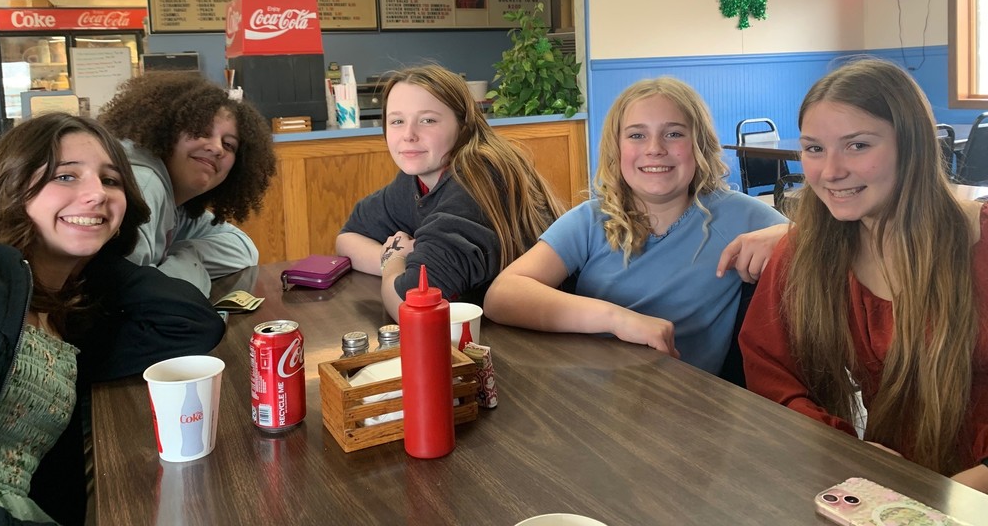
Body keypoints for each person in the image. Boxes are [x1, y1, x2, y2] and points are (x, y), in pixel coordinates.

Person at [739, 59, 988, 493]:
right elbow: (769, 371)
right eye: (814, 149)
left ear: (910, 145)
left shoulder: (979, 243)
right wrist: (842, 446)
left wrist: (957, 494)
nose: (830, 171)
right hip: (882, 491)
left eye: (857, 146)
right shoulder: (806, 252)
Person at [0, 112, 225, 525]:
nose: (97, 193)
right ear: (12, 185)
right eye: (66, 176)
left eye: (111, 180)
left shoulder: (70, 313)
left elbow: (193, 322)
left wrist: (93, 251)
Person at [482, 77, 788, 375]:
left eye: (674, 134)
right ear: (616, 148)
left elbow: (826, 246)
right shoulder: (592, 219)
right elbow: (502, 295)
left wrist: (790, 235)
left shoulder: (739, 216)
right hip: (587, 394)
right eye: (637, 135)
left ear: (699, 144)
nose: (654, 148)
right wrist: (617, 319)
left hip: (688, 404)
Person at [335, 65, 565, 319]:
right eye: (397, 121)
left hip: (546, 342)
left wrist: (393, 261)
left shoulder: (476, 181)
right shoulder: (417, 179)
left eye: (428, 120)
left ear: (463, 124)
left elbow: (412, 310)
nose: (409, 135)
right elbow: (348, 238)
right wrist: (397, 258)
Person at [98, 71, 276, 295]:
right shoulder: (144, 184)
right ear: (166, 129)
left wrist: (189, 255)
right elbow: (127, 295)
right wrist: (192, 272)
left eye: (229, 145)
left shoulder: (177, 205)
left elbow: (243, 248)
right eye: (201, 132)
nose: (216, 148)